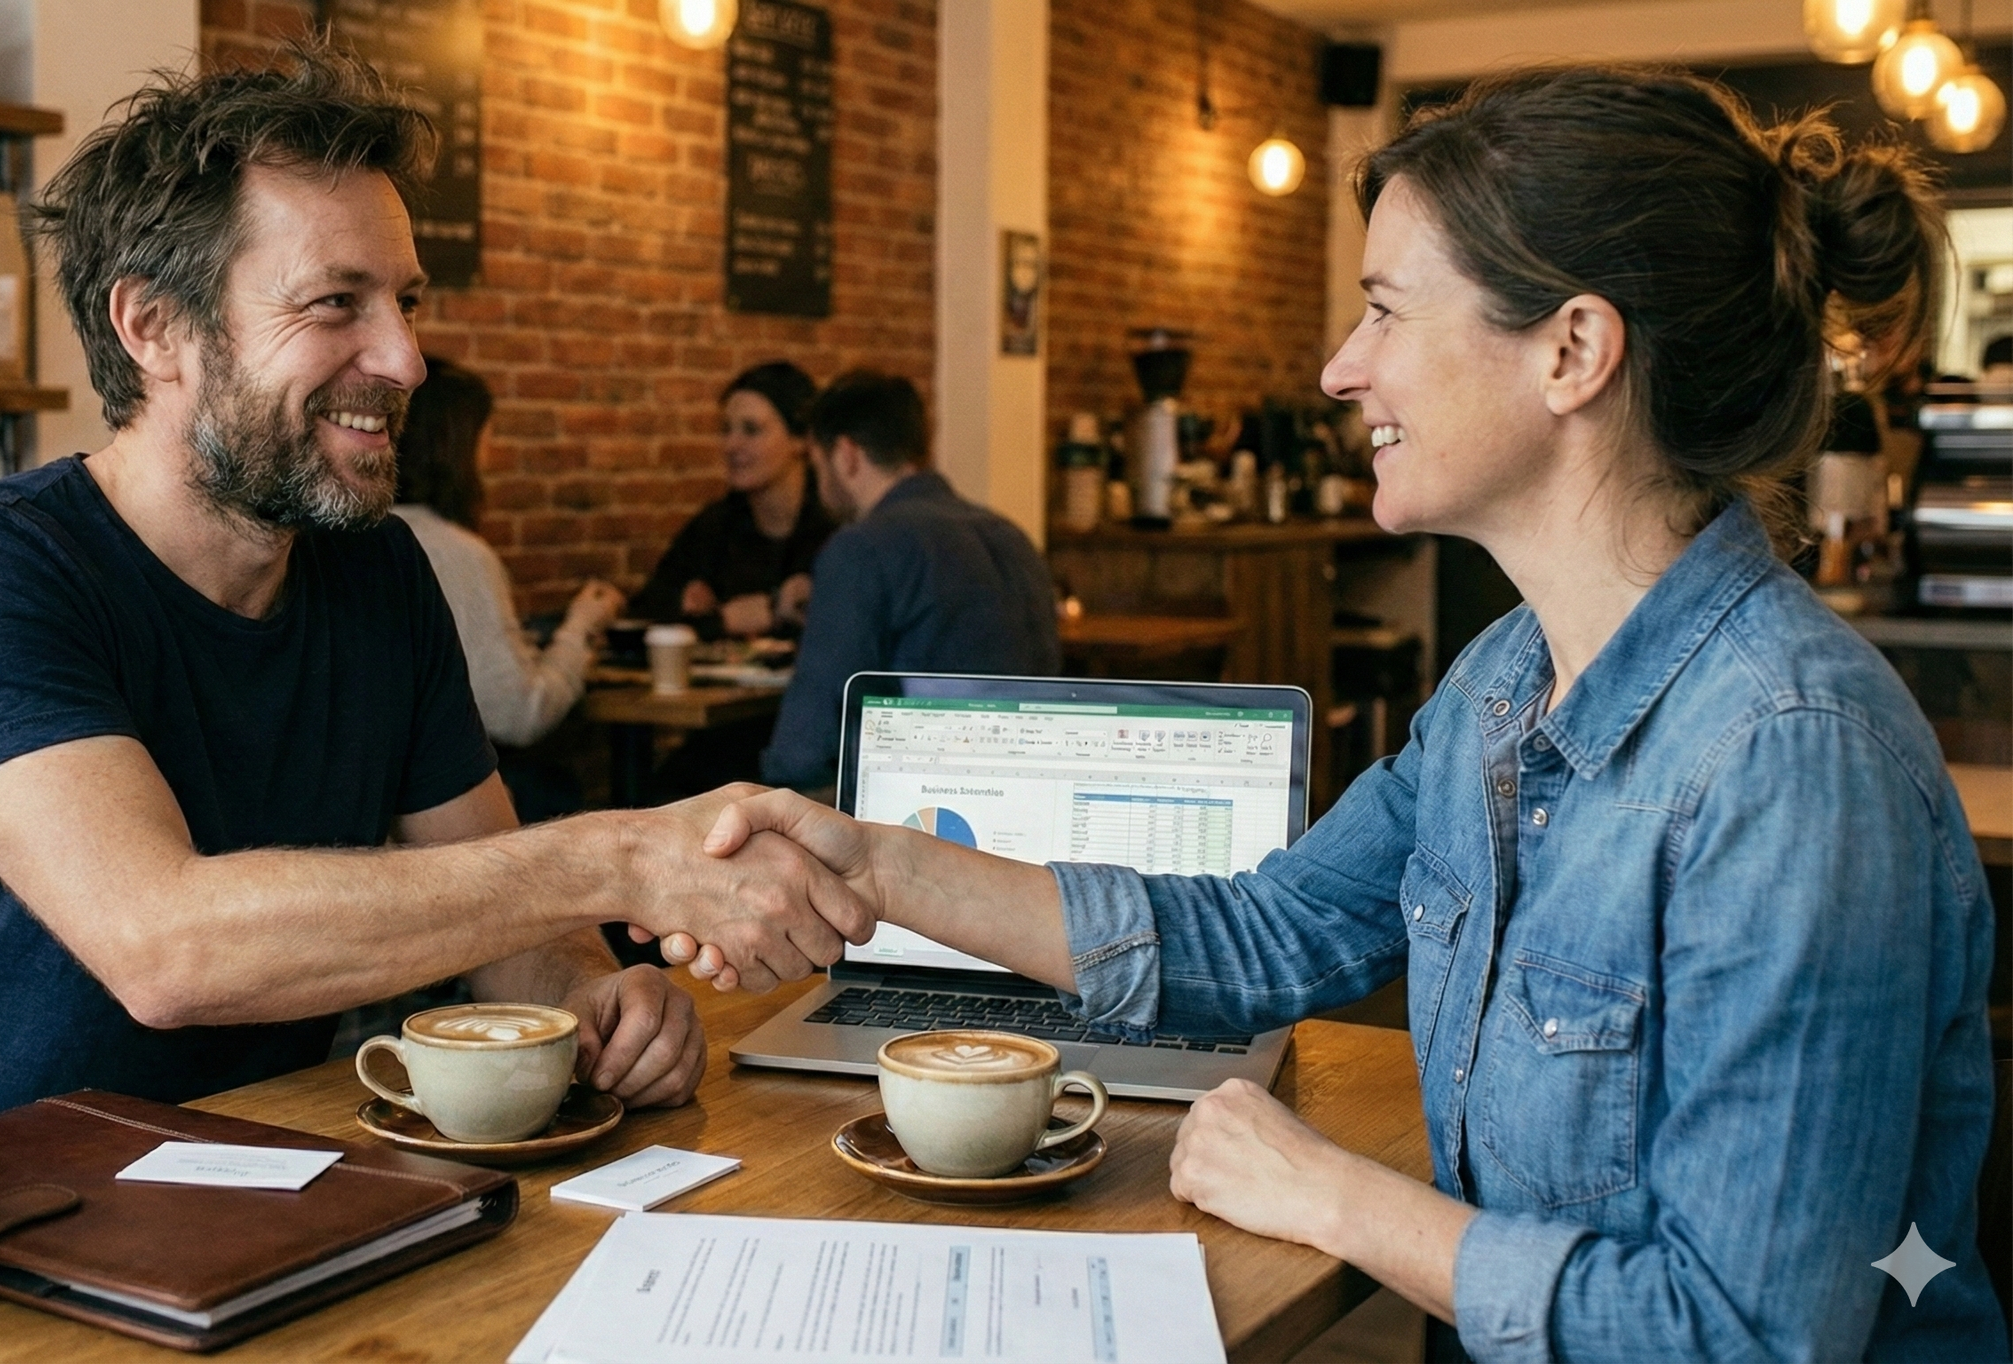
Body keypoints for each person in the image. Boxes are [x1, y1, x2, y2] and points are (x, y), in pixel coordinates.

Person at [680, 69, 2007, 1362]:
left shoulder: (1789, 765)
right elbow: (1267, 933)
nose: (1337, 369)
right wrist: (885, 866)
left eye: (1384, 311)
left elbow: (1748, 1338)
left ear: (1572, 351)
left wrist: (1343, 1201)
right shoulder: (1501, 682)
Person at [0, 44, 868, 1148]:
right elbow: (165, 945)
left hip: (274, 1185)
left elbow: (500, 924)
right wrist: (621, 859)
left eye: (406, 301)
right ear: (153, 327)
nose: (405, 357)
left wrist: (587, 994)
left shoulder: (376, 571)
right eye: (337, 302)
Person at [757, 371, 1061, 792]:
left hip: (925, 806)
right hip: (1034, 792)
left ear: (846, 455)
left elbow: (805, 748)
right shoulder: (1010, 535)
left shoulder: (860, 549)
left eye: (815, 463)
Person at [391, 357, 621, 822]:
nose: (490, 456)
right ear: (456, 447)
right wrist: (580, 628)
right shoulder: (456, 553)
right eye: (486, 438)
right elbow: (520, 713)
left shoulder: (351, 536)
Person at [630, 361, 839, 639]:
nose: (732, 445)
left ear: (799, 440)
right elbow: (644, 613)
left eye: (751, 430)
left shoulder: (835, 530)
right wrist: (685, 603)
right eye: (727, 429)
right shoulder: (714, 527)